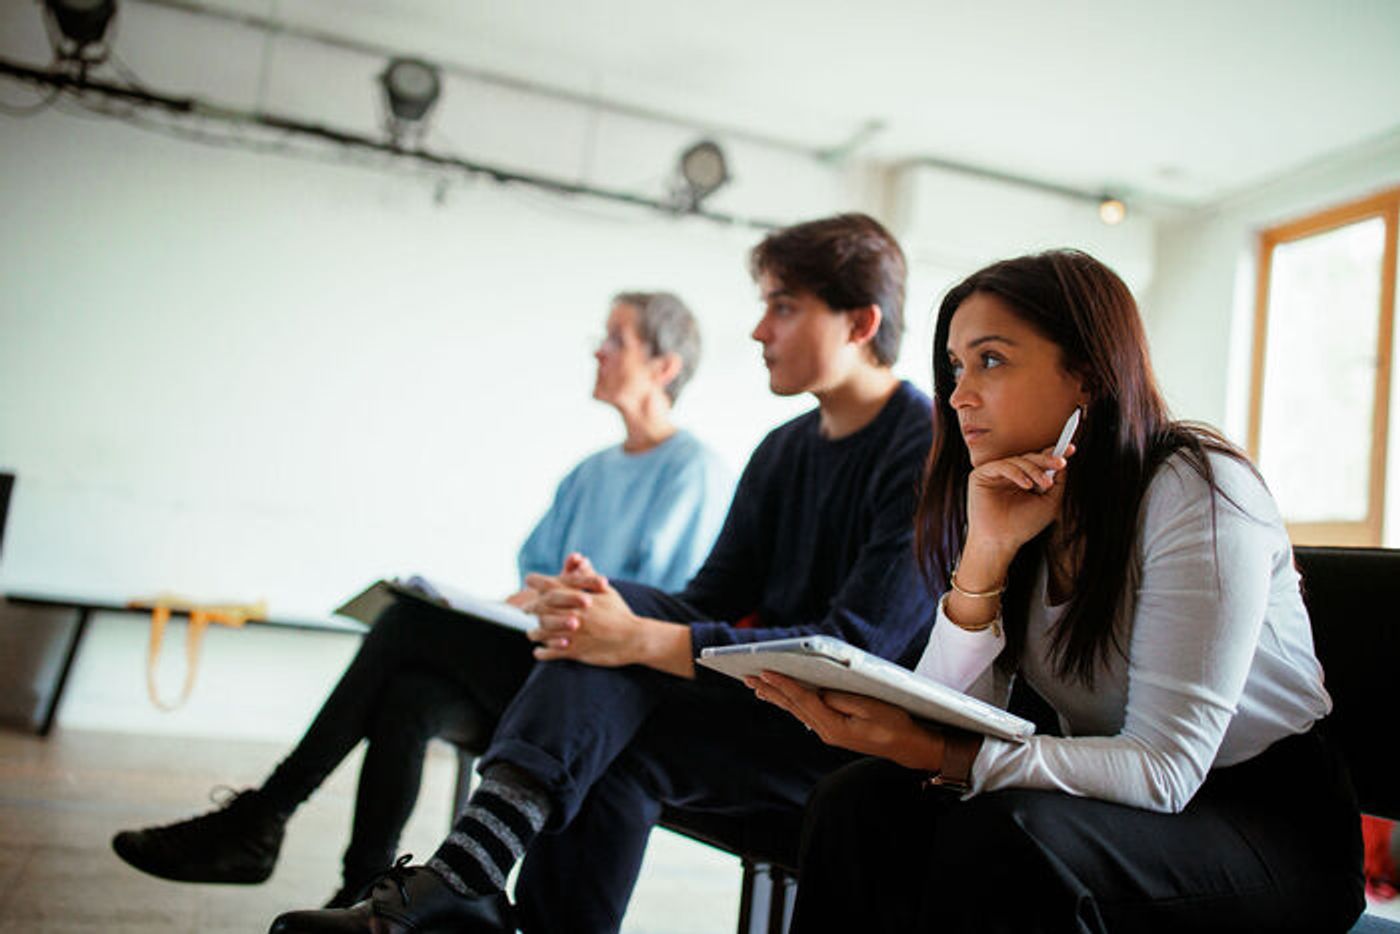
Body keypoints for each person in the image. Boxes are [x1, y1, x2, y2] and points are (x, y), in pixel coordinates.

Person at [266, 212, 938, 934]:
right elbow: (708, 599)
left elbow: (851, 649)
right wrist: (599, 606)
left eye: (783, 307)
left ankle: (460, 876)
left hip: (838, 740)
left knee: (614, 661)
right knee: (610, 679)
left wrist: (638, 637)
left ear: (860, 323)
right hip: (761, 704)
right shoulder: (784, 448)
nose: (758, 331)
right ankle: (468, 876)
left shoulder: (924, 447)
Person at [749, 249, 1366, 933]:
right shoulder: (1016, 497)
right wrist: (986, 553)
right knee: (857, 802)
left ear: (1088, 376)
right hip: (1117, 801)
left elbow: (1165, 769)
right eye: (955, 367)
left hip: (1268, 827)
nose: (958, 395)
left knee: (1004, 836)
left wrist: (944, 756)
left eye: (990, 360)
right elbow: (947, 716)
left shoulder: (1197, 489)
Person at [111, 290, 732, 906]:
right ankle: (360, 892)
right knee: (410, 696)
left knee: (408, 622)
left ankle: (263, 818)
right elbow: (534, 576)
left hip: (599, 692)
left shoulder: (693, 470)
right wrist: (536, 598)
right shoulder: (590, 472)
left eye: (617, 340)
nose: (598, 351)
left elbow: (667, 604)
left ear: (664, 366)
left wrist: (557, 598)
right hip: (543, 659)